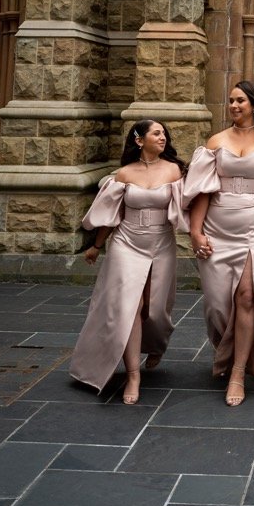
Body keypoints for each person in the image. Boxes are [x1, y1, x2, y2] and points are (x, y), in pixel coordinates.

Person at [184, 80, 254, 405]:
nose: (234, 106)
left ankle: (238, 372)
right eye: (231, 100)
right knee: (218, 304)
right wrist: (195, 231)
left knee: (246, 297)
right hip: (217, 225)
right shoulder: (215, 142)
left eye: (240, 101)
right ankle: (226, 349)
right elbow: (202, 189)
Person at [69, 119, 186, 404]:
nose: (162, 137)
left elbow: (191, 207)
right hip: (126, 242)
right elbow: (111, 215)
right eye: (156, 133)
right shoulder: (123, 174)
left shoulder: (174, 170)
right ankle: (133, 373)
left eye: (163, 134)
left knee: (156, 309)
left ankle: (156, 343)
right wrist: (96, 246)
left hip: (161, 241)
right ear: (138, 140)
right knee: (130, 307)